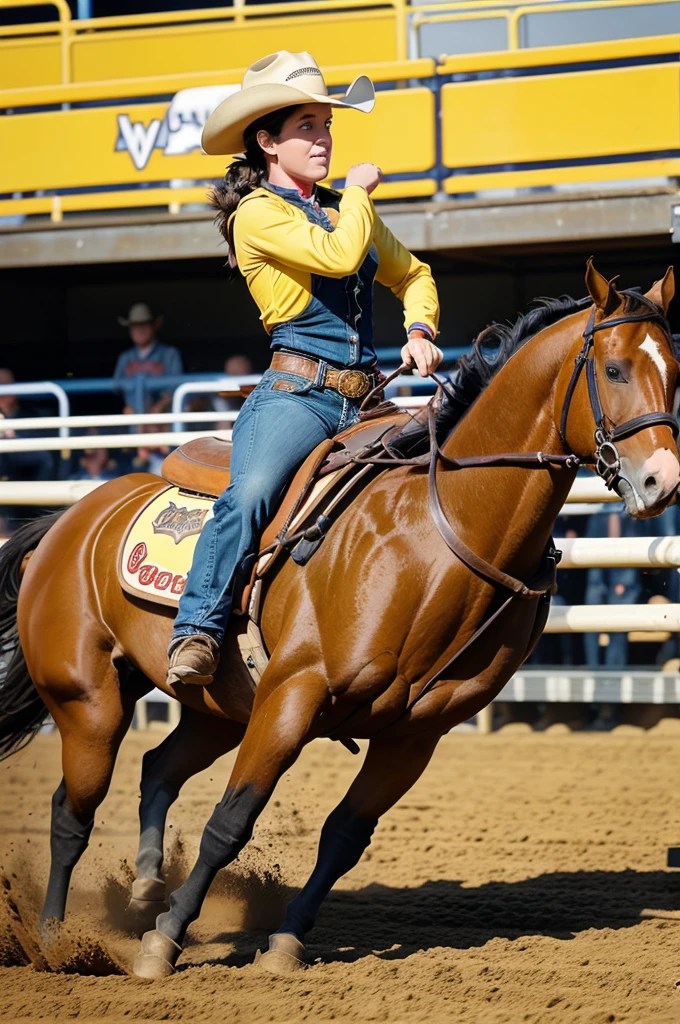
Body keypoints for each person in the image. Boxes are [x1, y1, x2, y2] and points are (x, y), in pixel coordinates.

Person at [167, 50, 442, 686]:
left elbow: (416, 275)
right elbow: (343, 258)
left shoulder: (343, 207)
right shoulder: (258, 214)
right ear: (267, 142)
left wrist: (420, 328)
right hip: (296, 395)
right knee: (253, 494)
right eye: (308, 128)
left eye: (327, 126)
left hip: (366, 396)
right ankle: (197, 630)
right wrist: (359, 195)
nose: (324, 140)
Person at [114, 303, 183, 415]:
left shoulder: (170, 354)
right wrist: (129, 407)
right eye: (135, 326)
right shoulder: (125, 357)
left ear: (154, 326)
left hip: (162, 418)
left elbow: (176, 388)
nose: (139, 330)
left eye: (144, 325)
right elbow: (116, 387)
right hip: (133, 417)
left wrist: (159, 407)